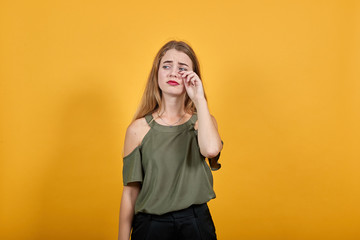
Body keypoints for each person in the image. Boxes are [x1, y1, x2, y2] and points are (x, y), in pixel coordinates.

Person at [118, 40, 224, 240]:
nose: (174, 72)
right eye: (166, 66)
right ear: (156, 73)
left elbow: (210, 150)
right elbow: (130, 193)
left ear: (193, 77)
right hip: (151, 227)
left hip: (196, 223)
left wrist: (199, 99)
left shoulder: (204, 122)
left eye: (182, 68)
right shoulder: (138, 130)